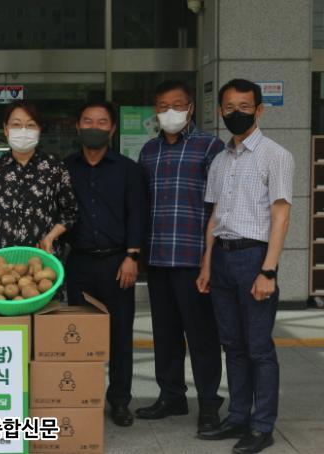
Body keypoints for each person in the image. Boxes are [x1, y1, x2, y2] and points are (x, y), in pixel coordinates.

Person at [196, 79, 294, 454]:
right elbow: (214, 216)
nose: (236, 113)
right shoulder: (220, 160)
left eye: (244, 106)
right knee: (233, 345)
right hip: (221, 257)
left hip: (254, 257)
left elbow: (281, 215)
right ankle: (237, 417)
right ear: (219, 111)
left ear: (259, 110)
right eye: (229, 107)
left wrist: (268, 270)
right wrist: (207, 264)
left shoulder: (275, 155)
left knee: (258, 348)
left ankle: (262, 425)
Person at [136, 80, 225, 432]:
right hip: (158, 258)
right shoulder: (148, 151)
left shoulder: (210, 147)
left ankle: (209, 404)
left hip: (194, 258)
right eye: (162, 106)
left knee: (202, 337)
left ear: (190, 108)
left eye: (176, 104)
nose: (169, 111)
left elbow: (220, 207)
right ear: (155, 111)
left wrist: (210, 259)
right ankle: (171, 396)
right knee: (166, 334)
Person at [63, 101, 146, 427]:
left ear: (112, 129)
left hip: (117, 263)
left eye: (101, 122)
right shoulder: (65, 168)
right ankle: (84, 396)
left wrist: (132, 257)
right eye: (87, 121)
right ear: (78, 126)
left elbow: (137, 214)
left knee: (120, 335)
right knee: (78, 336)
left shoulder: (128, 170)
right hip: (79, 263)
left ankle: (120, 400)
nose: (94, 127)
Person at [0, 100, 77, 260]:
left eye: (30, 125)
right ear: (6, 129)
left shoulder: (54, 167)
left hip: (44, 259)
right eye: (16, 124)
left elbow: (69, 211)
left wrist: (50, 237)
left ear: (39, 129)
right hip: (2, 262)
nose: (23, 130)